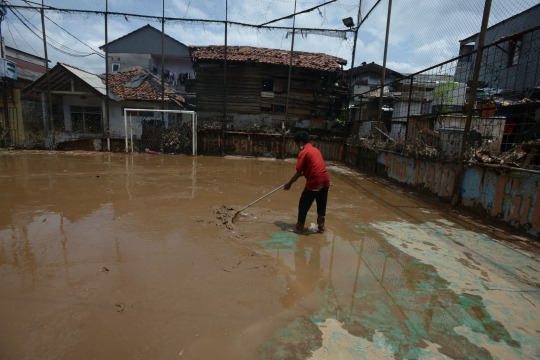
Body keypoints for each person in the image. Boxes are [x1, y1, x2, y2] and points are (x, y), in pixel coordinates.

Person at [284, 131, 330, 233]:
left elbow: (298, 172)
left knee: (303, 203)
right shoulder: (316, 150)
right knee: (322, 204)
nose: (297, 146)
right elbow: (309, 169)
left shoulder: (303, 152)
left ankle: (299, 227)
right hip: (325, 180)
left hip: (315, 180)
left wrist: (289, 184)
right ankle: (321, 227)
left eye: (296, 144)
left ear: (300, 143)